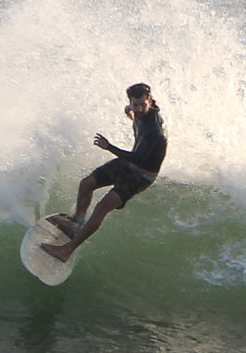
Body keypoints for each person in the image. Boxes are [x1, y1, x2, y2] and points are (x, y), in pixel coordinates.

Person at [41, 82, 167, 263]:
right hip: (128, 164)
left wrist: (108, 147)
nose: (138, 109)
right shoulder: (137, 110)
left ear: (150, 101)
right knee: (86, 184)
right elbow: (132, 112)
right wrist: (129, 112)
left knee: (101, 207)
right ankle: (76, 223)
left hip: (142, 175)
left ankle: (66, 251)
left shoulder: (153, 131)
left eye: (142, 105)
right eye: (135, 105)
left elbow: (137, 158)